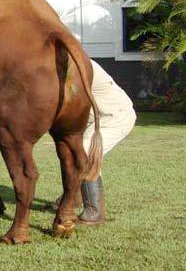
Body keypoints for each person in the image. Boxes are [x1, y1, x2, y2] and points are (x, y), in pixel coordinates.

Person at [55, 59, 136, 225]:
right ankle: (73, 198)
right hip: (96, 120)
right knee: (73, 150)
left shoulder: (81, 64)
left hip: (115, 117)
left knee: (85, 152)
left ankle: (94, 211)